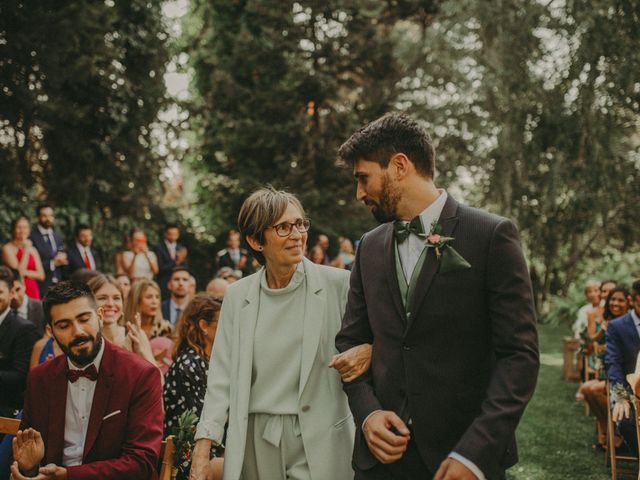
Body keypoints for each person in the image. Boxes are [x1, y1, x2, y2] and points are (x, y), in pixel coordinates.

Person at [334, 113, 539, 480]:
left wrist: (475, 453)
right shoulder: (369, 248)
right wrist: (368, 415)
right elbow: (352, 343)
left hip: (462, 457)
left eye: (363, 178)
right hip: (380, 463)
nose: (359, 194)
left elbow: (518, 357)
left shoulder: (491, 236)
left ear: (399, 166)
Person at [190, 187, 369, 480]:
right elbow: (221, 378)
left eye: (300, 224)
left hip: (319, 439)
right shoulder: (237, 295)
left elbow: (375, 338)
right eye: (283, 227)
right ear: (255, 240)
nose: (297, 234)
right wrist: (202, 449)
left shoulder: (340, 285)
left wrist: (369, 349)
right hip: (255, 442)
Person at [10, 281, 163, 479]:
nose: (78, 331)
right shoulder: (40, 379)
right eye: (64, 325)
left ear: (99, 316)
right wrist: (29, 469)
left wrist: (67, 476)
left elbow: (142, 462)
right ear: (51, 331)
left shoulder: (140, 375)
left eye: (84, 319)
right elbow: (29, 454)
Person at [164, 294, 224, 480]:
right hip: (189, 455)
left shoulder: (212, 361)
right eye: (224, 321)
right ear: (203, 326)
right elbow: (201, 420)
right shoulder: (188, 364)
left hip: (216, 448)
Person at [580, 285, 630, 448]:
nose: (615, 303)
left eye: (620, 300)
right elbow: (590, 344)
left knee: (592, 389)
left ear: (629, 301)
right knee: (587, 388)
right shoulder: (605, 320)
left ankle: (615, 434)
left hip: (623, 378)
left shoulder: (630, 324)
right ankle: (608, 430)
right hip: (607, 370)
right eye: (612, 299)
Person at [88, 274, 155, 365]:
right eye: (102, 298)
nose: (111, 304)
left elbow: (158, 377)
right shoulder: (85, 340)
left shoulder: (136, 335)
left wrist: (142, 353)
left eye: (116, 298)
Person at [604, 281, 639, 452]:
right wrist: (620, 396)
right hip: (626, 389)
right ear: (633, 300)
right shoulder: (616, 326)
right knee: (625, 421)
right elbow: (613, 363)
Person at [0, 266, 39, 417]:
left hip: (6, 410)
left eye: (0, 292)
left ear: (11, 294)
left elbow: (20, 376)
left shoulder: (24, 329)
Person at [124, 279, 174, 373]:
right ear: (136, 300)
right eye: (149, 297)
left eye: (157, 297)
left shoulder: (166, 329)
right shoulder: (125, 330)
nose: (154, 301)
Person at [28, 204, 68, 297]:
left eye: (50, 215)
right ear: (38, 218)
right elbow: (31, 264)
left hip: (58, 284)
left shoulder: (57, 236)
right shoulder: (31, 237)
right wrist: (52, 263)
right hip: (41, 285)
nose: (48, 219)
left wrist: (64, 257)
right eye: (44, 216)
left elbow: (62, 252)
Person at [2, 217, 45, 300]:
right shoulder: (7, 248)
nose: (22, 231)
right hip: (17, 290)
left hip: (33, 290)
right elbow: (18, 273)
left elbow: (41, 275)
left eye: (25, 227)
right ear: (13, 229)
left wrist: (25, 273)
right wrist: (25, 250)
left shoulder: (33, 249)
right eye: (19, 227)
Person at [155, 224, 188, 300]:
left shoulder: (181, 248)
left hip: (178, 284)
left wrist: (182, 260)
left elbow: (186, 267)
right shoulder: (159, 248)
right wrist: (176, 262)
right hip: (164, 283)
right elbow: (160, 268)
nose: (173, 236)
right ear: (165, 234)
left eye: (175, 234)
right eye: (170, 234)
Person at [9, 269, 45, 336]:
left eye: (17, 289)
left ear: (24, 284)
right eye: (10, 292)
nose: (15, 296)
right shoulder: (4, 312)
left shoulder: (42, 308)